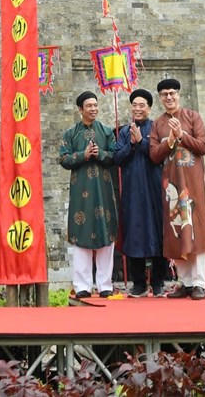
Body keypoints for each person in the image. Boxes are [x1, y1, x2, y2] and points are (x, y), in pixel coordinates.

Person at [148, 77, 205, 299]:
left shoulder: (193, 117)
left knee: (196, 230)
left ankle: (199, 283)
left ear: (179, 95)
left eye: (172, 93)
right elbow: (154, 155)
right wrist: (169, 141)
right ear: (160, 98)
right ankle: (184, 282)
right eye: (164, 94)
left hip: (193, 182)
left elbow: (202, 147)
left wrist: (182, 136)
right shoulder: (157, 124)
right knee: (175, 230)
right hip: (171, 184)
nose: (169, 97)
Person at [59, 89, 118, 299]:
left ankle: (105, 285)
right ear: (80, 109)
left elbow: (115, 156)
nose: (93, 109)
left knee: (106, 234)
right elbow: (63, 159)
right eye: (89, 106)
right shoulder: (70, 134)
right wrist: (82, 155)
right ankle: (82, 285)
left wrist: (99, 153)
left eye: (95, 105)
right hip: (80, 192)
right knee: (81, 234)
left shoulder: (107, 131)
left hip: (103, 191)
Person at [112, 88, 167, 297]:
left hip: (154, 188)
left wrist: (142, 142)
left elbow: (160, 155)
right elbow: (117, 158)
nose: (137, 108)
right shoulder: (125, 132)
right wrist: (132, 145)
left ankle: (158, 281)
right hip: (132, 190)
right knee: (134, 234)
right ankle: (139, 283)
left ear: (149, 108)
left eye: (142, 105)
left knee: (158, 233)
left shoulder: (157, 128)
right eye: (134, 105)